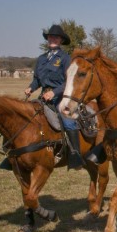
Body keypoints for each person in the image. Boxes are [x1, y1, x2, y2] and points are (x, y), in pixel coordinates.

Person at [24, 24, 84, 170]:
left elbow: (69, 81)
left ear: (61, 40)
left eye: (56, 37)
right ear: (47, 39)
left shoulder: (65, 58)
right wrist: (30, 88)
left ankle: (75, 154)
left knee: (68, 122)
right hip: (43, 97)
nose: (53, 39)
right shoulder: (41, 59)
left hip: (61, 97)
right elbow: (37, 79)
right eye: (51, 37)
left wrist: (54, 92)